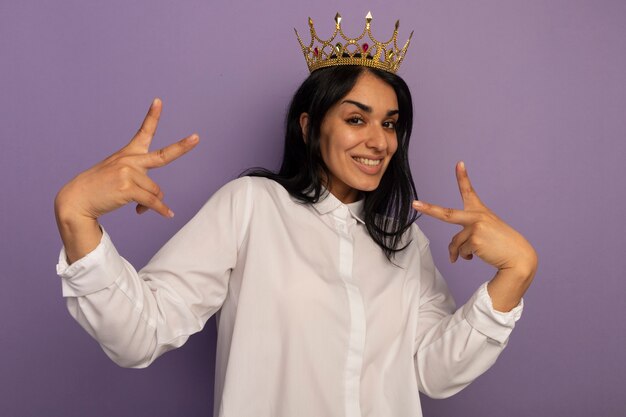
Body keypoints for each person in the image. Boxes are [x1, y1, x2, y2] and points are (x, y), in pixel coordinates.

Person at [54, 13, 537, 417]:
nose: (379, 140)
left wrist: (515, 274)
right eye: (356, 119)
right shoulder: (252, 206)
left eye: (390, 124)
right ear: (309, 127)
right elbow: (141, 334)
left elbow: (435, 371)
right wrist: (77, 216)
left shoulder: (404, 243)